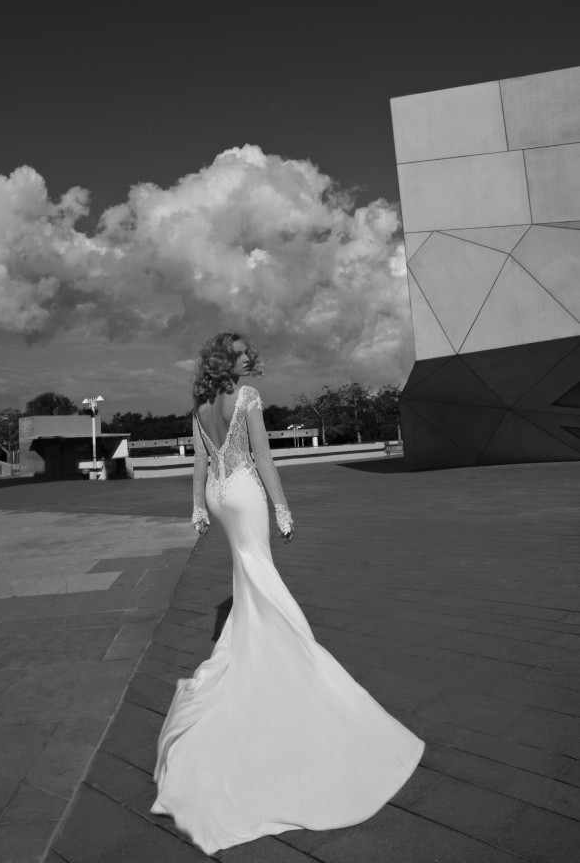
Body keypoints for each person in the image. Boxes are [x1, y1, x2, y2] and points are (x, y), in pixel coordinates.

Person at [151, 332, 424, 854]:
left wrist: (198, 507)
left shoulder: (200, 405)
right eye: (241, 353)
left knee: (247, 578)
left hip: (218, 496)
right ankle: (291, 657)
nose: (249, 358)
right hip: (244, 492)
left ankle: (259, 644)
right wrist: (281, 508)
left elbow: (201, 462)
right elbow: (263, 457)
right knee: (261, 576)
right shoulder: (247, 397)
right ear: (228, 360)